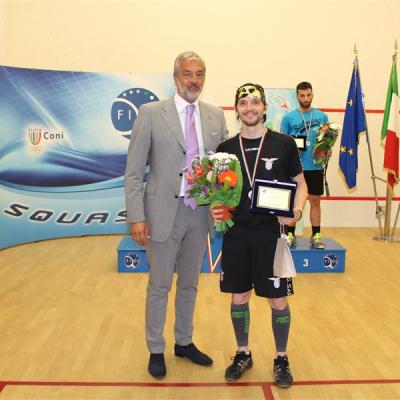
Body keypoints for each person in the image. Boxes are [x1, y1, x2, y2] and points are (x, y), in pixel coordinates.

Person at [124, 51, 229, 379]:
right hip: (162, 214)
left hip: (200, 215)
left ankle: (184, 341)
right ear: (175, 77)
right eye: (187, 74)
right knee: (159, 286)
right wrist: (136, 216)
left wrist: (224, 203)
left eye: (199, 74)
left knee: (190, 284)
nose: (193, 80)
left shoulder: (216, 116)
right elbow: (133, 171)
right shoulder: (151, 113)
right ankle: (156, 347)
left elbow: (226, 170)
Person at [211, 83, 307, 388]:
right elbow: (219, 192)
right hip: (236, 234)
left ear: (264, 107)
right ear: (236, 109)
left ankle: (281, 357)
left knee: (278, 300)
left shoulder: (284, 143)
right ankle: (243, 353)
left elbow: (301, 183)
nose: (249, 108)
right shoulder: (225, 148)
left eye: (255, 102)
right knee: (239, 296)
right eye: (243, 103)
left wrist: (296, 212)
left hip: (271, 235)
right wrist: (217, 208)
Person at [280, 81, 329, 249]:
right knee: (294, 203)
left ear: (312, 95)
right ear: (297, 97)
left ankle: (316, 236)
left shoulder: (322, 117)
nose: (306, 98)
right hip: (295, 168)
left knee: (315, 202)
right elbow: (282, 143)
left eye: (308, 95)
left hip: (315, 166)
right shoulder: (288, 118)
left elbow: (326, 140)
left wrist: (327, 149)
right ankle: (290, 235)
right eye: (302, 95)